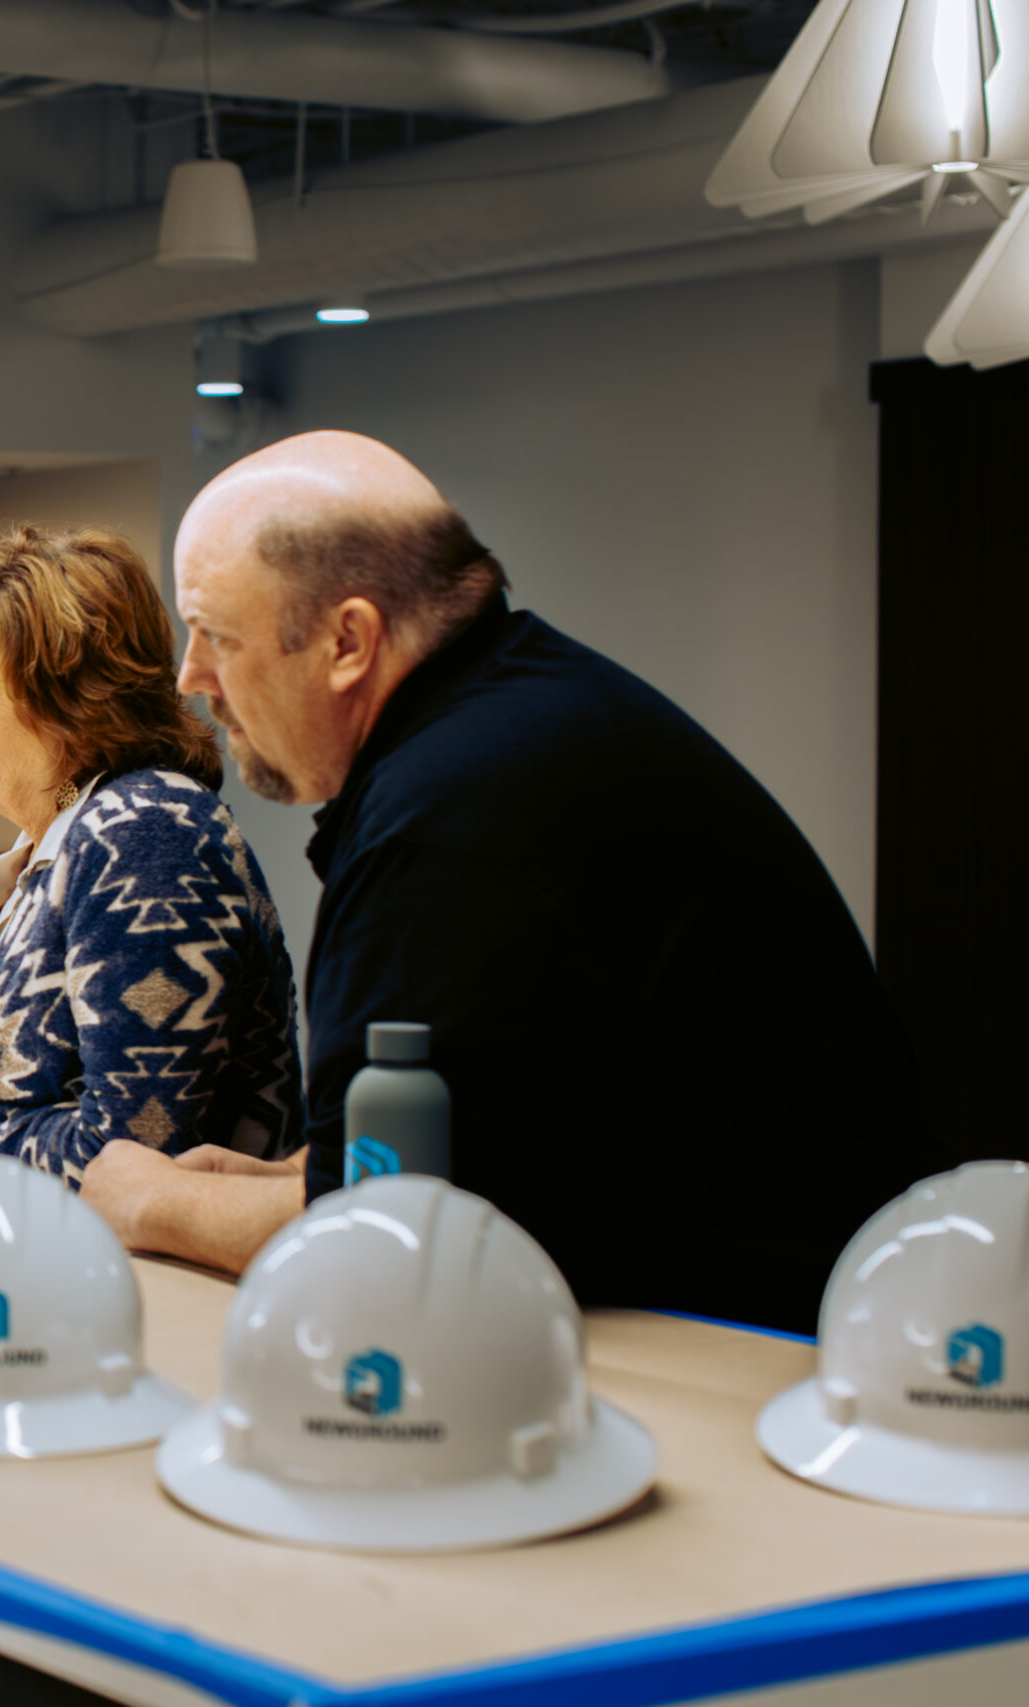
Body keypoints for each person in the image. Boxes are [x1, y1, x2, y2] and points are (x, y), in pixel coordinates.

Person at [79, 431, 951, 1331]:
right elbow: (480, 1145)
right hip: (823, 1306)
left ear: (348, 640)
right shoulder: (523, 722)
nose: (192, 678)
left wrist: (151, 1200)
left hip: (763, 1348)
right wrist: (291, 1174)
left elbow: (391, 1233)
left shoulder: (452, 823)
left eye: (216, 636)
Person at [0, 526, 301, 1183]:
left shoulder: (147, 835)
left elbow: (134, 1156)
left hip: (156, 1282)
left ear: (76, 700)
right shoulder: (58, 841)